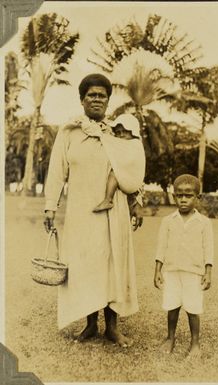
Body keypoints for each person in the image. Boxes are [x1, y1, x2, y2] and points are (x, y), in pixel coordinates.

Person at [44, 73, 145, 346]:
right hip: (81, 213)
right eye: (92, 95)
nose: (97, 99)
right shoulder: (69, 133)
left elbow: (131, 167)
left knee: (113, 264)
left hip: (114, 212)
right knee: (85, 265)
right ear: (82, 100)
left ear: (108, 101)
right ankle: (90, 325)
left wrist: (136, 203)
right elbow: (56, 172)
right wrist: (50, 207)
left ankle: (112, 327)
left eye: (102, 95)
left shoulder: (117, 132)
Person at [154, 174, 213, 358]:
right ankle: (170, 338)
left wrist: (208, 272)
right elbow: (161, 246)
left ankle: (195, 343)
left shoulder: (204, 222)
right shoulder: (168, 221)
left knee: (193, 308)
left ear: (198, 197)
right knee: (172, 306)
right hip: (171, 271)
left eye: (188, 195)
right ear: (174, 197)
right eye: (180, 195)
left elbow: (208, 248)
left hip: (194, 272)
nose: (184, 199)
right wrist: (157, 270)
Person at [92, 113, 144, 212]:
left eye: (125, 131)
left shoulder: (135, 144)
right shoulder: (121, 144)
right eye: (118, 132)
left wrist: (97, 133)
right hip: (127, 182)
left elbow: (137, 165)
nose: (121, 135)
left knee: (113, 173)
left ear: (133, 132)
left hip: (131, 180)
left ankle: (108, 200)